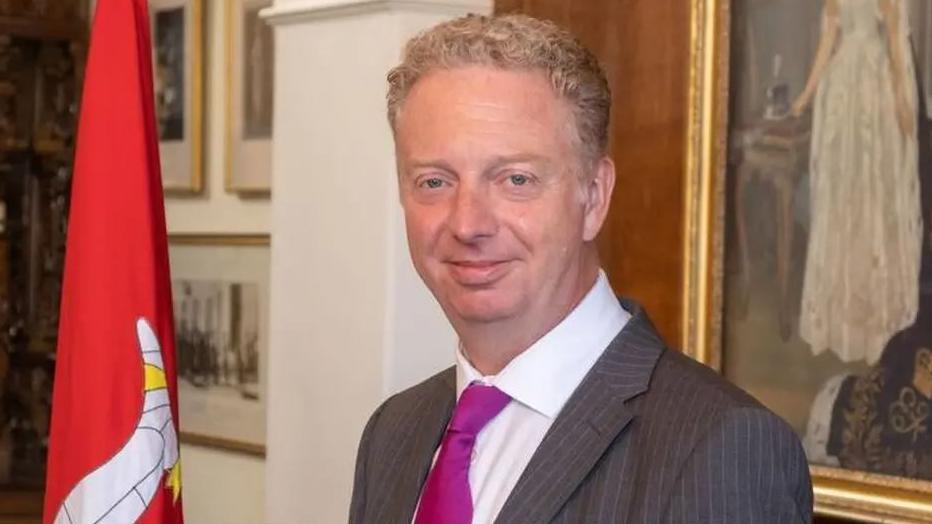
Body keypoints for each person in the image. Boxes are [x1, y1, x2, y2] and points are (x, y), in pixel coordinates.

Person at [350, 14, 813, 523]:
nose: (468, 223)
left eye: (515, 179)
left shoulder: (720, 446)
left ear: (594, 197)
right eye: (434, 182)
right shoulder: (393, 433)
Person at [792, 0, 922, 365]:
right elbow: (826, 42)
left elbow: (896, 41)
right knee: (843, 198)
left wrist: (901, 98)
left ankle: (874, 316)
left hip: (874, 90)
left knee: (872, 196)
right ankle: (840, 317)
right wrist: (806, 94)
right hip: (843, 92)